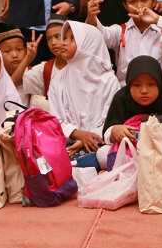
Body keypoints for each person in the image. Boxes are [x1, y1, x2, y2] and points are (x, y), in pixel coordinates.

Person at [48, 21, 122, 170]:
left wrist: (88, 138)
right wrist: (77, 134)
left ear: (88, 43)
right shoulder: (59, 79)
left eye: (72, 38)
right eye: (65, 38)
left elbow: (111, 120)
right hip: (68, 144)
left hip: (101, 143)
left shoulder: (109, 81)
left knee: (102, 158)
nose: (64, 43)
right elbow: (54, 119)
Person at [88, 0, 162, 88]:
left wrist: (159, 20)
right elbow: (101, 35)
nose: (139, 6)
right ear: (125, 5)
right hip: (127, 91)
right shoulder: (120, 31)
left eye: (144, 0)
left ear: (154, 1)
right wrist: (91, 16)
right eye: (132, 1)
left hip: (161, 91)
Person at [18, 15, 69, 107]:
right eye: (49, 39)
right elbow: (15, 82)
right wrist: (28, 58)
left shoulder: (84, 66)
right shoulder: (46, 69)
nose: (53, 43)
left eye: (58, 36)